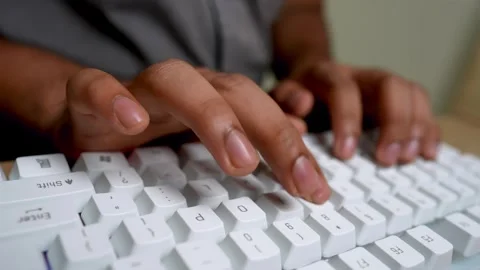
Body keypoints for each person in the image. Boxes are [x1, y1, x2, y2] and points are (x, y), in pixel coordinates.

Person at [0, 0, 439, 204]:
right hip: (56, 146)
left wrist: (312, 65)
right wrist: (57, 103)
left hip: (249, 131)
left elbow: (296, 9)